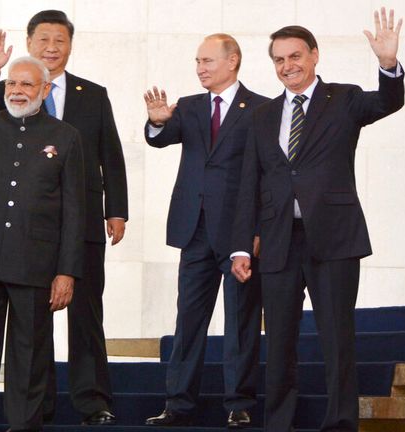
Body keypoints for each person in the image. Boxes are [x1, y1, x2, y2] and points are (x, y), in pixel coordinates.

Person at [230, 8, 405, 432]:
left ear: (314, 56)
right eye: (278, 59)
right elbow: (249, 181)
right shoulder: (261, 115)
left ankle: (342, 422)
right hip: (277, 241)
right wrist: (241, 243)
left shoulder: (344, 100)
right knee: (281, 341)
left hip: (334, 237)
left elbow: (388, 101)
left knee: (337, 338)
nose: (287, 66)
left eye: (295, 56)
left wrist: (387, 65)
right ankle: (278, 423)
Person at [0, 10, 127, 425]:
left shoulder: (90, 98)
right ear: (30, 42)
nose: (52, 48)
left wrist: (116, 210)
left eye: (60, 41)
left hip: (65, 233)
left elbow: (111, 155)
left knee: (70, 325)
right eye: (44, 40)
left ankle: (86, 402)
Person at [0, 56, 86, 432]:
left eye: (26, 85)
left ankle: (23, 426)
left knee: (29, 355)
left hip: (37, 265)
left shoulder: (66, 136)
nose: (16, 91)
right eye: (12, 84)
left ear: (44, 90)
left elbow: (75, 211)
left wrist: (66, 271)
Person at [142, 34, 268, 428]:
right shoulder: (190, 107)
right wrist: (156, 121)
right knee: (188, 320)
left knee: (241, 322)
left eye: (208, 61)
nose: (200, 68)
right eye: (197, 61)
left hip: (238, 234)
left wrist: (257, 232)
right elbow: (160, 138)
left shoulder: (261, 109)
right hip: (193, 229)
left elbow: (267, 176)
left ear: (233, 62)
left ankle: (239, 404)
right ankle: (177, 404)